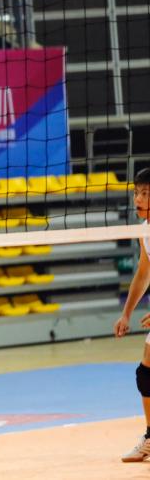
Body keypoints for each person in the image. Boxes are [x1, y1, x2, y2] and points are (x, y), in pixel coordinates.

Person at [113, 167, 150, 462]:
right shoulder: (145, 230)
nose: (138, 199)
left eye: (145, 193)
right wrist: (126, 313)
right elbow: (144, 272)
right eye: (136, 192)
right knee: (146, 374)